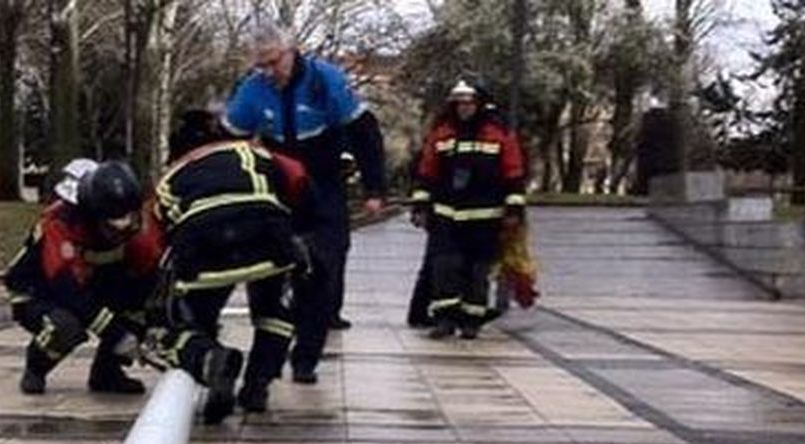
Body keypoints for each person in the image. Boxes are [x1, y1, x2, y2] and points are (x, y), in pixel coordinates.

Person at [221, 24, 386, 381]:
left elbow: (365, 133)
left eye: (273, 62)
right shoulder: (252, 89)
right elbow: (227, 141)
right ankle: (267, 359)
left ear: (291, 51)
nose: (268, 72)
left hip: (323, 184)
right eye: (261, 65)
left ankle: (305, 358)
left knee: (322, 273)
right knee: (265, 274)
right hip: (277, 188)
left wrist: (374, 189)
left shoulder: (326, 81)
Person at [142, 110, 314, 423]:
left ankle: (212, 360)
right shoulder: (252, 152)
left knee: (194, 317)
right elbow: (298, 177)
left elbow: (155, 240)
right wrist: (296, 230)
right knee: (275, 311)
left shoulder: (170, 176)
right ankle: (257, 386)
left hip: (202, 248)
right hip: (267, 236)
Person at [3, 158, 163, 395]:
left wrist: (152, 328)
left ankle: (107, 373)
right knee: (67, 326)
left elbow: (149, 273)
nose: (125, 228)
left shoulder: (133, 225)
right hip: (39, 292)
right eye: (114, 223)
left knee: (144, 302)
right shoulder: (60, 224)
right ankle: (36, 365)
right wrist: (117, 334)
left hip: (89, 284)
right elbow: (67, 288)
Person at [410, 78, 526, 340]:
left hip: (485, 218)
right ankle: (445, 319)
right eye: (459, 103)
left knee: (477, 271)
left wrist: (514, 211)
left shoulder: (499, 134)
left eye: (469, 103)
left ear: (480, 104)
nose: (463, 108)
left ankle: (471, 320)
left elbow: (514, 174)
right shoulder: (442, 134)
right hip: (445, 216)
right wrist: (420, 206)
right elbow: (426, 172)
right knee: (444, 268)